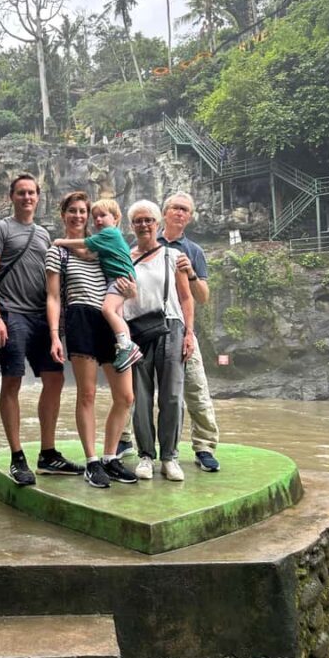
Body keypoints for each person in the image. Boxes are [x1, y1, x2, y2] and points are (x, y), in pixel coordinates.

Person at [0, 173, 84, 486]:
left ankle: (48, 453)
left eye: (32, 193)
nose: (27, 197)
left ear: (39, 198)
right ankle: (16, 456)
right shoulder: (1, 228)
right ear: (11, 197)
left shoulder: (43, 235)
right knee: (12, 381)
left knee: (55, 379)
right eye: (21, 193)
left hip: (41, 317)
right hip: (11, 315)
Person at [46, 191, 137, 488]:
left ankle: (111, 457)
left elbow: (122, 277)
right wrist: (54, 336)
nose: (79, 216)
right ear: (64, 215)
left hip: (110, 320)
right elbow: (53, 296)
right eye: (72, 211)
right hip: (81, 317)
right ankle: (92, 461)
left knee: (126, 396)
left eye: (83, 211)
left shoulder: (102, 246)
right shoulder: (57, 251)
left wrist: (131, 291)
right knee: (87, 394)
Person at [122, 200, 195, 482]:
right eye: (138, 220)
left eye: (148, 220)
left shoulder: (172, 256)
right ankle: (145, 456)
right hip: (137, 329)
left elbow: (187, 297)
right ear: (132, 225)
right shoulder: (125, 258)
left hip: (171, 326)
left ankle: (170, 457)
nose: (144, 225)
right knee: (140, 396)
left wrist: (189, 333)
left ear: (157, 223)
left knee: (173, 395)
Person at [158, 192, 220, 472]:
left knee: (196, 388)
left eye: (185, 210)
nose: (180, 213)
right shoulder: (146, 242)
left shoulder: (193, 250)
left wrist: (192, 273)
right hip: (146, 327)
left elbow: (204, 296)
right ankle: (127, 442)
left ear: (190, 217)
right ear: (164, 212)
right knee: (137, 391)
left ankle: (204, 446)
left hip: (183, 328)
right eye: (175, 208)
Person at [54, 198, 141, 373]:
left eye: (103, 215)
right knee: (117, 314)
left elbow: (85, 244)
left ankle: (127, 346)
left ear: (116, 218)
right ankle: (126, 345)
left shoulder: (109, 234)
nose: (98, 220)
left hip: (119, 280)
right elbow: (87, 254)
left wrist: (60, 242)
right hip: (117, 280)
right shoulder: (108, 240)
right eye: (95, 217)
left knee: (107, 310)